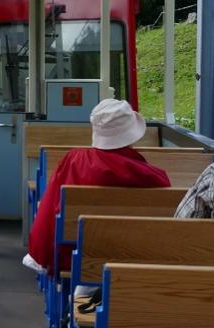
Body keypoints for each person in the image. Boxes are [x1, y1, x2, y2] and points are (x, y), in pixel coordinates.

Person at [27, 99, 170, 274]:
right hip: (132, 257)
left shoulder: (74, 159)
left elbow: (50, 207)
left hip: (73, 257)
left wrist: (40, 254)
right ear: (132, 135)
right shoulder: (150, 176)